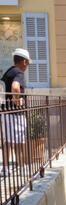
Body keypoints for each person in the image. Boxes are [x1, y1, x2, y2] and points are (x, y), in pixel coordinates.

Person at [0, 48, 31, 177]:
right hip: (15, 113)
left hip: (5, 111)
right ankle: (22, 167)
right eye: (28, 63)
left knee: (8, 141)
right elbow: (15, 87)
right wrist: (17, 101)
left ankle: (5, 169)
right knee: (19, 141)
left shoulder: (8, 72)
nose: (27, 66)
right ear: (23, 61)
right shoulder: (18, 73)